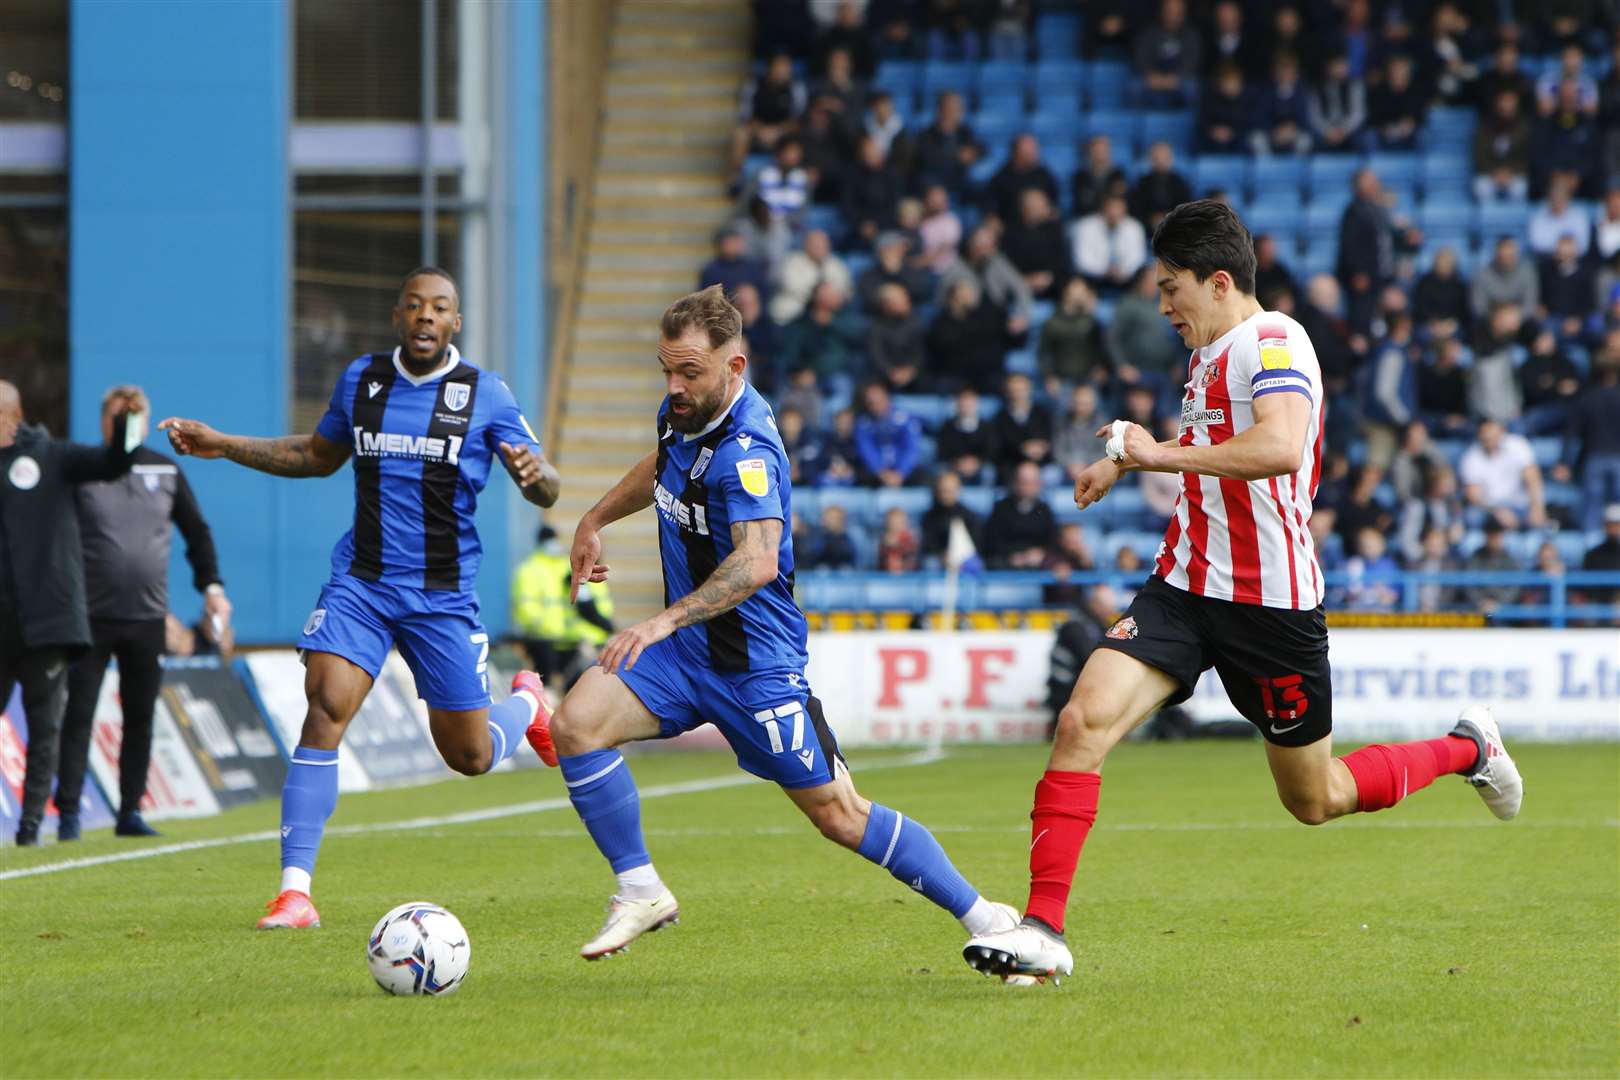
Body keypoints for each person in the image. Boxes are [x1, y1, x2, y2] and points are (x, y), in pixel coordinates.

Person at [962, 200, 1522, 982]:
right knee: (1081, 719)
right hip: (1183, 591)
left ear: (1219, 281)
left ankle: (1470, 747)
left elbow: (1280, 446)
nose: (1162, 307)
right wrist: (1123, 460)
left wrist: (1154, 455)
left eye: (1171, 289)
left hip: (1272, 609)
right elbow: (1205, 450)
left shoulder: (1274, 340)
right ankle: (1043, 930)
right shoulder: (1207, 355)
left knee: (1315, 797)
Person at [526, 285, 1021, 962]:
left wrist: (661, 622)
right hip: (684, 657)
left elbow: (755, 562)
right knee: (577, 723)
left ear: (736, 368)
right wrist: (594, 518)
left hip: (755, 667)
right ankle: (640, 889)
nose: (673, 384)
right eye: (666, 369)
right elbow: (664, 463)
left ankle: (986, 916)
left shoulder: (750, 450)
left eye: (689, 372)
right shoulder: (683, 410)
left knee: (841, 816)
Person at [160, 266, 561, 928]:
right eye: (414, 305)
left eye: (439, 308)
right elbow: (316, 455)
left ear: (455, 322)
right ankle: (295, 893)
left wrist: (535, 475)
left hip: (440, 595)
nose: (426, 316)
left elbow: (545, 487)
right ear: (397, 316)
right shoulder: (363, 381)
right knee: (326, 703)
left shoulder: (485, 395)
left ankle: (525, 703)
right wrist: (224, 445)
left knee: (470, 757)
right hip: (364, 583)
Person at [54, 385, 230, 843]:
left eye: (134, 417)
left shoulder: (164, 468)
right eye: (118, 417)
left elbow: (197, 532)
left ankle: (129, 810)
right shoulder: (81, 471)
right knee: (78, 715)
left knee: (140, 717)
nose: (125, 425)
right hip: (88, 618)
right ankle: (68, 814)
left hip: (146, 618)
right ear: (102, 423)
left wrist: (211, 588)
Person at [0, 381, 141, 846]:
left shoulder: (52, 457)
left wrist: (128, 423)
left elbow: (114, 461)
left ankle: (30, 826)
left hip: (46, 621)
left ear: (12, 416)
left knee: (45, 727)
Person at [512, 526, 615, 693]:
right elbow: (584, 606)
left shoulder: (563, 567)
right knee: (555, 688)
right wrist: (608, 627)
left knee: (566, 689)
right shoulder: (551, 569)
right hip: (553, 639)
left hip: (572, 638)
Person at [1071, 192, 1148, 292]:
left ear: (1124, 211)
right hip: (1094, 279)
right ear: (1103, 210)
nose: (1114, 214)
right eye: (1111, 209)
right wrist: (1104, 270)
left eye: (1118, 209)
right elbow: (1082, 260)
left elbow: (1137, 258)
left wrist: (1122, 271)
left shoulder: (1134, 227)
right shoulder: (1085, 227)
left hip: (1125, 279)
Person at [920, 469, 984, 563]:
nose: (945, 495)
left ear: (958, 490)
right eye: (942, 490)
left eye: (949, 491)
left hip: (964, 558)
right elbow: (928, 543)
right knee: (930, 562)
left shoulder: (969, 516)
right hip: (939, 559)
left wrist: (959, 555)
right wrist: (942, 554)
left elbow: (976, 542)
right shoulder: (929, 517)